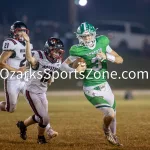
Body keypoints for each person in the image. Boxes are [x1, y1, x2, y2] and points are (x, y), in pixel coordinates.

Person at [60, 22, 123, 146]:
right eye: (84, 36)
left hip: (104, 84)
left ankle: (113, 136)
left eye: (88, 35)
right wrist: (75, 71)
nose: (87, 38)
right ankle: (106, 130)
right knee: (109, 113)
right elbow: (63, 66)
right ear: (79, 37)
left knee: (113, 114)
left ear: (94, 34)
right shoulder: (77, 49)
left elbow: (120, 59)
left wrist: (107, 57)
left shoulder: (102, 41)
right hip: (90, 87)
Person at [17, 33, 64, 144]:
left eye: (59, 51)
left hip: (43, 92)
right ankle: (40, 138)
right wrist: (27, 42)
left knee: (40, 118)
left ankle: (22, 125)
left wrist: (50, 78)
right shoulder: (38, 55)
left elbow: (50, 71)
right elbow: (29, 58)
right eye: (56, 51)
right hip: (31, 91)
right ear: (48, 49)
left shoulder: (57, 61)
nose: (58, 53)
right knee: (44, 118)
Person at [0, 21, 32, 113]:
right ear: (13, 32)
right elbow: (1, 63)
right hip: (12, 79)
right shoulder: (11, 43)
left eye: (24, 31)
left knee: (36, 100)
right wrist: (16, 70)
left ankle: (46, 126)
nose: (22, 34)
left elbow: (30, 59)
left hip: (25, 78)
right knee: (10, 108)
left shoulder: (28, 44)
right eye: (20, 31)